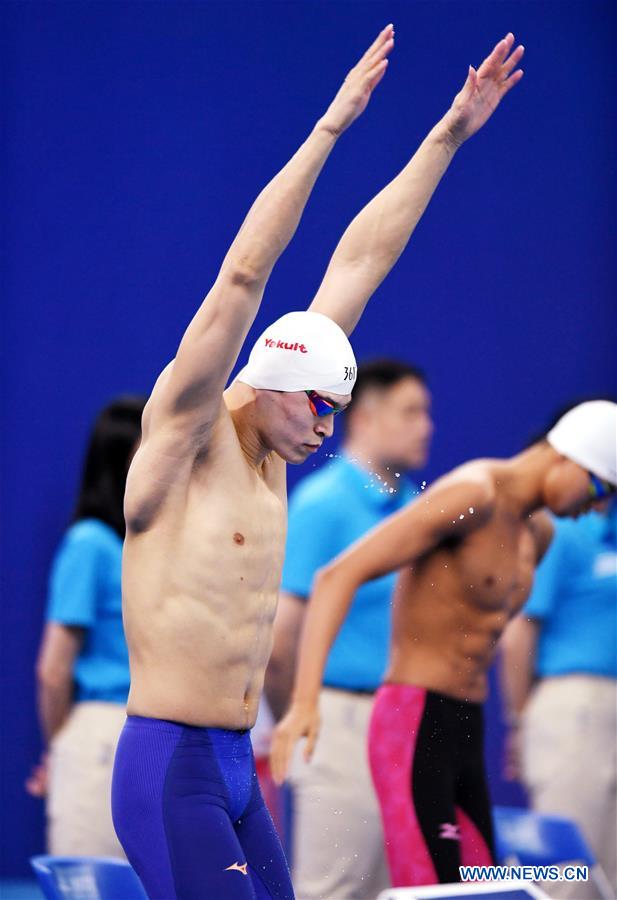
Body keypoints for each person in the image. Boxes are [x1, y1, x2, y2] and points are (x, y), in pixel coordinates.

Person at [110, 26, 525, 900]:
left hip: (234, 764)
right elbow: (241, 278)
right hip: (167, 762)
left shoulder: (278, 427)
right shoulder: (184, 436)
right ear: (265, 382)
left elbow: (362, 259)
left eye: (337, 408)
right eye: (317, 405)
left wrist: (447, 133)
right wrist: (331, 128)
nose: (327, 428)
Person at [271, 400, 617, 889]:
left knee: (480, 886)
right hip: (413, 720)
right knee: (432, 890)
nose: (597, 507)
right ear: (566, 456)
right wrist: (304, 703)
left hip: (466, 725)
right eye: (600, 486)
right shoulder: (472, 494)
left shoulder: (537, 534)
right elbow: (336, 576)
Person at [265, 358, 432, 900]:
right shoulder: (323, 505)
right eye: (411, 412)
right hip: (337, 720)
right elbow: (281, 636)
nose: (425, 426)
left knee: (402, 889)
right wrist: (302, 711)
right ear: (364, 417)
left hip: (403, 721)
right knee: (334, 888)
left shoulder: (418, 508)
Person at [29, 396, 145, 856]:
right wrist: (63, 751)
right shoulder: (90, 545)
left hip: (155, 735)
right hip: (102, 733)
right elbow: (53, 669)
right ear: (121, 460)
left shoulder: (150, 546)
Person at [501, 497, 617, 899]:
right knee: (566, 876)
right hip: (574, 705)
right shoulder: (560, 532)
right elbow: (518, 635)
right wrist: (520, 721)